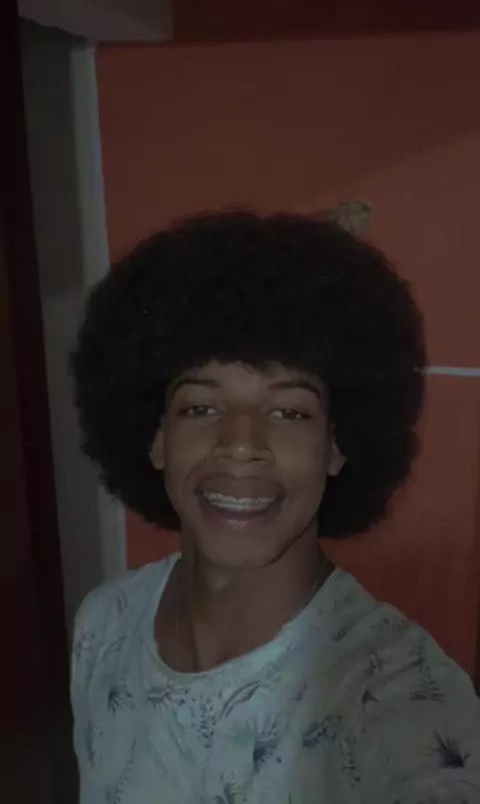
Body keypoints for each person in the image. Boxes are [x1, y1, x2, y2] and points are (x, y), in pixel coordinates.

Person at [69, 211, 480, 804]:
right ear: (155, 439)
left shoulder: (402, 703)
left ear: (337, 445)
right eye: (200, 408)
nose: (241, 444)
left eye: (289, 412)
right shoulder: (103, 625)